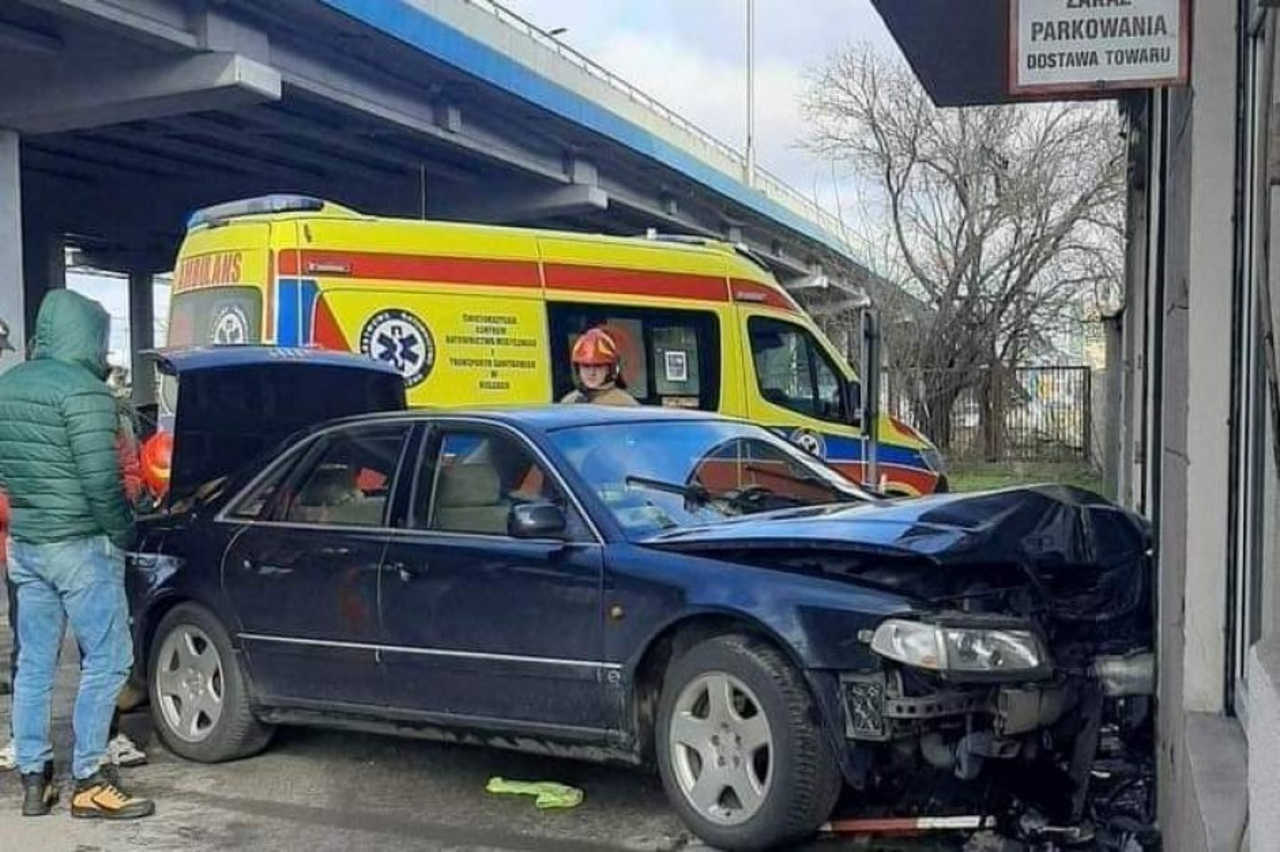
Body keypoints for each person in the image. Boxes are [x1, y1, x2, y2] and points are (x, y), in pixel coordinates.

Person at [0, 291, 154, 819]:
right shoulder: (85, 392)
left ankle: (34, 780)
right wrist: (122, 532)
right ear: (89, 335)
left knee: (35, 663)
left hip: (27, 546)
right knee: (110, 659)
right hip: (81, 546)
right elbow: (102, 480)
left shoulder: (8, 387)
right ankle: (90, 777)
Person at [559, 327, 640, 406]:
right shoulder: (568, 402)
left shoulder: (626, 404)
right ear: (578, 369)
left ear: (609, 369)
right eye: (586, 366)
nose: (592, 372)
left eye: (598, 366)